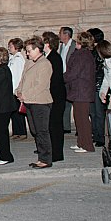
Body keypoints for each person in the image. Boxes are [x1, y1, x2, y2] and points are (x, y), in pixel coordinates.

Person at [17, 37, 53, 169]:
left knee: (42, 131)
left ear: (38, 49)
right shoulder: (29, 62)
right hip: (30, 101)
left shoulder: (45, 64)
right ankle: (41, 156)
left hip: (41, 102)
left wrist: (24, 95)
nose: (27, 54)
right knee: (35, 130)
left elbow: (40, 85)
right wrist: (19, 91)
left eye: (29, 51)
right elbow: (23, 79)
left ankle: (46, 159)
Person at [64, 31, 96, 153]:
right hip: (81, 90)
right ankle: (81, 142)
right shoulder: (84, 54)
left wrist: (62, 78)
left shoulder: (81, 55)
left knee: (82, 119)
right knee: (79, 118)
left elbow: (74, 72)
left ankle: (87, 145)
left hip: (81, 91)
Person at [42, 31, 66, 162]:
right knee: (53, 125)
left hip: (56, 96)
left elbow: (54, 80)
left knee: (55, 125)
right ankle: (54, 151)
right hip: (55, 95)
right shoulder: (51, 57)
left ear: (47, 43)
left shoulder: (54, 58)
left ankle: (57, 154)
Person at [88, 28, 107, 147]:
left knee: (98, 113)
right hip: (93, 84)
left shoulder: (100, 50)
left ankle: (100, 137)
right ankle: (96, 134)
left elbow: (98, 68)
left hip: (99, 84)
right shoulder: (93, 50)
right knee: (93, 112)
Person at [8, 38, 27, 140]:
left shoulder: (19, 59)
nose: (9, 48)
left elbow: (18, 75)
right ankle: (16, 131)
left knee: (18, 112)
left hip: (16, 89)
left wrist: (17, 89)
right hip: (12, 89)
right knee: (14, 112)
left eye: (11, 46)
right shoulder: (12, 58)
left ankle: (22, 132)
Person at [58, 27, 76, 134]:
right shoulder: (62, 46)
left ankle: (79, 127)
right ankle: (66, 126)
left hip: (72, 78)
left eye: (60, 33)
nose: (59, 35)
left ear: (66, 35)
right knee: (65, 103)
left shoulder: (74, 46)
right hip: (63, 77)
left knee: (75, 103)